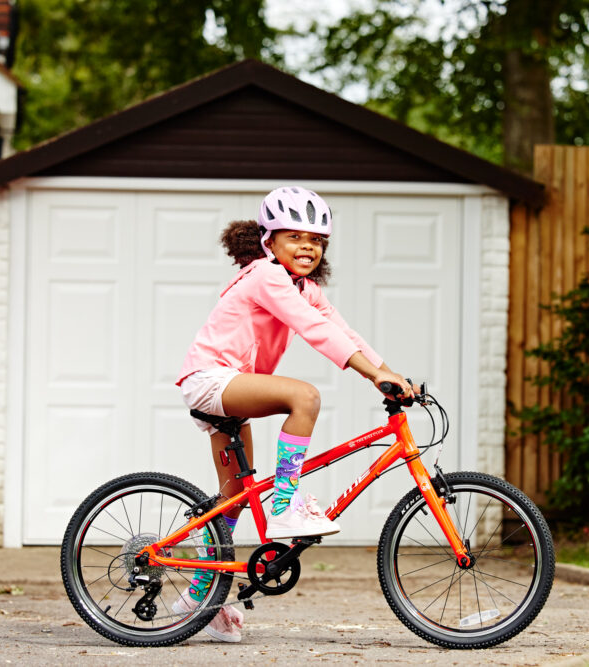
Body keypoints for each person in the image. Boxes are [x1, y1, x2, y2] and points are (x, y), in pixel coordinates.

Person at [172, 186, 413, 642]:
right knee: (304, 397)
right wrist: (371, 376)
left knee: (232, 500)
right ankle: (284, 505)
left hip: (228, 386)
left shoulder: (305, 287)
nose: (308, 247)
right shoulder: (265, 276)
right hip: (210, 379)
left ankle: (201, 599)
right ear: (269, 241)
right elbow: (314, 330)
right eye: (295, 237)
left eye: (317, 240)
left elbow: (343, 331)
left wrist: (390, 374)